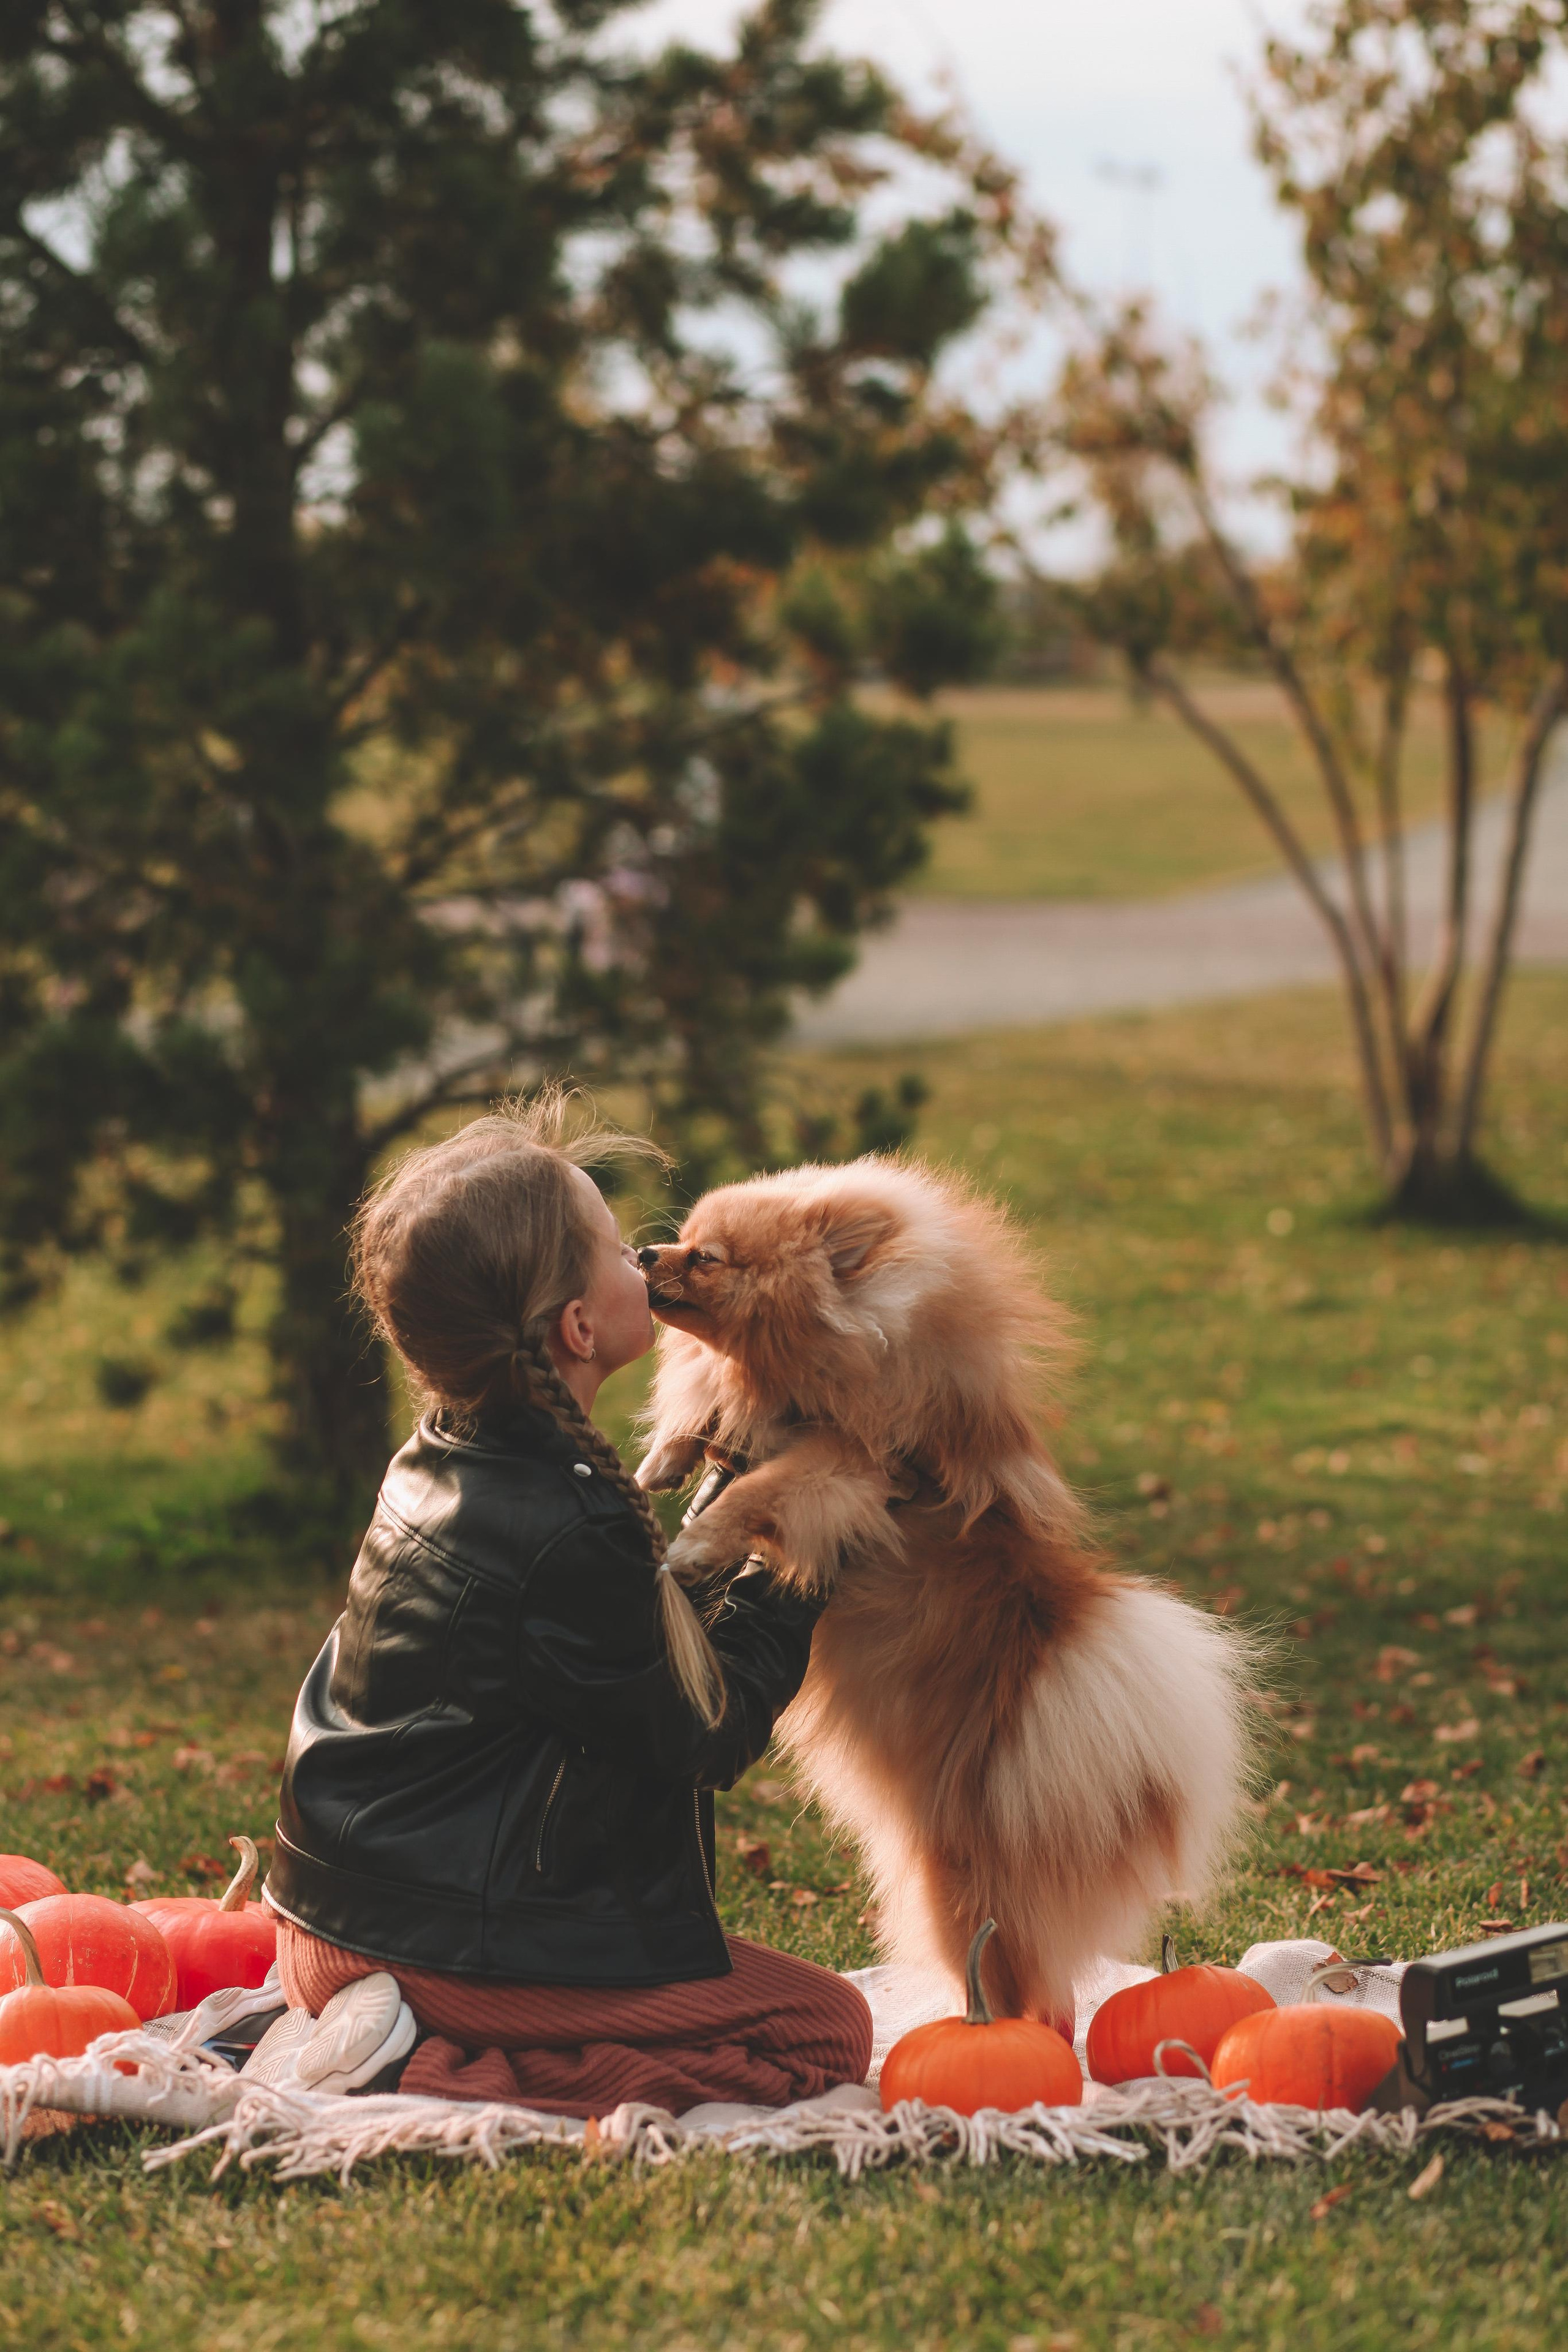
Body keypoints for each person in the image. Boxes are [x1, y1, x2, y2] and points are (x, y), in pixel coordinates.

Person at [257, 1093, 872, 2117]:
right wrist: (799, 1554)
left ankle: (394, 2029)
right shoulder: (561, 1525)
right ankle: (423, 2067)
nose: (648, 1259)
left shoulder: (450, 1452)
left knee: (783, 2010)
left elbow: (635, 1648)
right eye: (619, 1252)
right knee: (823, 2031)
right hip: (434, 1947)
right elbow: (705, 1731)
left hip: (340, 1915)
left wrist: (740, 1472)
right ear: (579, 1328)